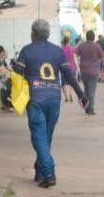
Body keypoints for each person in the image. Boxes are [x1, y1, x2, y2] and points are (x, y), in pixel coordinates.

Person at [14, 19, 87, 188]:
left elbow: (17, 72)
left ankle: (49, 172)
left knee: (38, 137)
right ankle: (39, 171)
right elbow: (69, 75)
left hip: (36, 99)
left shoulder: (26, 50)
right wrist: (81, 94)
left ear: (33, 34)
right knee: (46, 137)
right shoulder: (58, 51)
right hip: (54, 99)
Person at [75, 30, 104, 115]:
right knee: (92, 91)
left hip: (83, 71)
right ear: (93, 37)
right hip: (94, 71)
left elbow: (74, 54)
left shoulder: (82, 46)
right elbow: (103, 57)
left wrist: (77, 67)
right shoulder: (97, 46)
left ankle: (86, 107)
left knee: (86, 89)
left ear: (87, 37)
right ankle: (90, 109)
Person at [60, 36, 76, 103]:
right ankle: (70, 94)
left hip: (63, 68)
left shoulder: (61, 49)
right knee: (71, 82)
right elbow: (75, 58)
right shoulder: (73, 49)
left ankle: (66, 97)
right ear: (69, 41)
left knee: (63, 83)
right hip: (72, 67)